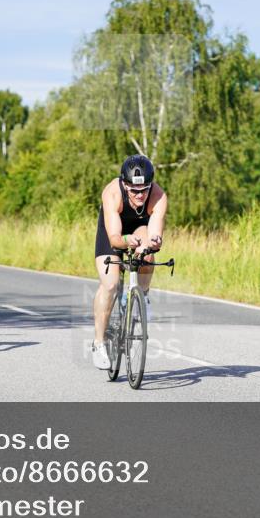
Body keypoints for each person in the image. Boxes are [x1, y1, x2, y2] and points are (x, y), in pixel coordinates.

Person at [90, 155, 167, 370]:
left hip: (140, 226)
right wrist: (125, 241)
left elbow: (155, 234)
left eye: (144, 189)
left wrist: (151, 244)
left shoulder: (158, 196)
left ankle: (143, 295)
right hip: (113, 231)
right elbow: (114, 238)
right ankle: (98, 343)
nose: (140, 195)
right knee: (111, 284)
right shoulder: (112, 193)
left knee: (148, 254)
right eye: (134, 190)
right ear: (125, 184)